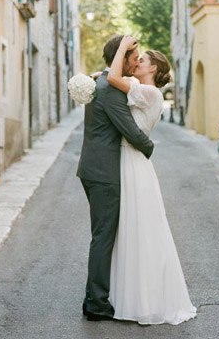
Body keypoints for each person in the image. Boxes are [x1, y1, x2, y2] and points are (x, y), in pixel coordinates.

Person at [106, 35, 197, 325]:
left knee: (141, 229)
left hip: (133, 161)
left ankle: (146, 301)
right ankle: (135, 296)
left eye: (142, 59)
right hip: (129, 160)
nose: (137, 61)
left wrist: (121, 47)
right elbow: (112, 77)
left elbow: (112, 78)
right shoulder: (141, 88)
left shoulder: (150, 93)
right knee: (132, 228)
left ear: (153, 69)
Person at [76, 35, 154, 321]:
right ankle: (96, 304)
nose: (137, 62)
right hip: (104, 172)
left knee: (102, 235)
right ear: (121, 57)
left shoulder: (104, 82)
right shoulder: (109, 90)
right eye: (134, 57)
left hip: (94, 169)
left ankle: (92, 299)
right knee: (103, 237)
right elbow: (130, 130)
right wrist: (149, 147)